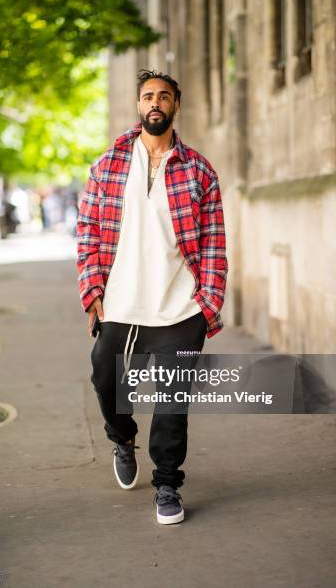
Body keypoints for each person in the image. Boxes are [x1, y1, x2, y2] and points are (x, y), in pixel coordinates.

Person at [76, 70, 228, 525]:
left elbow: (215, 243)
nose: (155, 102)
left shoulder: (199, 169)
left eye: (164, 96)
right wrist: (91, 292)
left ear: (176, 105)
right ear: (138, 105)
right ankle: (122, 438)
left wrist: (208, 304)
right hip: (121, 303)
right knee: (106, 377)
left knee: (171, 399)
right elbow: (88, 232)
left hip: (181, 308)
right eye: (147, 96)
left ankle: (166, 483)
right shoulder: (108, 165)